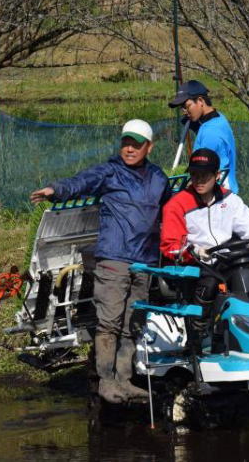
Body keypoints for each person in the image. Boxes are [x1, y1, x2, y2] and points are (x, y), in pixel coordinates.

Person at [30, 119, 171, 404]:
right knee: (109, 322)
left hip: (144, 262)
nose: (129, 149)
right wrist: (55, 190)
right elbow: (81, 181)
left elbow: (170, 211)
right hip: (114, 260)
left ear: (149, 147)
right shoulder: (110, 172)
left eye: (136, 144)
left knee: (133, 323)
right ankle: (106, 382)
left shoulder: (158, 178)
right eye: (126, 143)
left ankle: (125, 379)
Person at [160, 148, 249, 306]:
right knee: (210, 284)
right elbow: (171, 246)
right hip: (194, 265)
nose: (199, 180)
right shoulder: (177, 205)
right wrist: (194, 251)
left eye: (205, 175)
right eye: (194, 174)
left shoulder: (230, 199)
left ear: (217, 175)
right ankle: (199, 327)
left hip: (226, 260)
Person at [169, 80, 239, 194]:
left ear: (200, 101)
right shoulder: (218, 118)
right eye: (182, 108)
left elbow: (201, 170)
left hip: (217, 193)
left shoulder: (211, 133)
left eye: (187, 106)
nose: (185, 112)